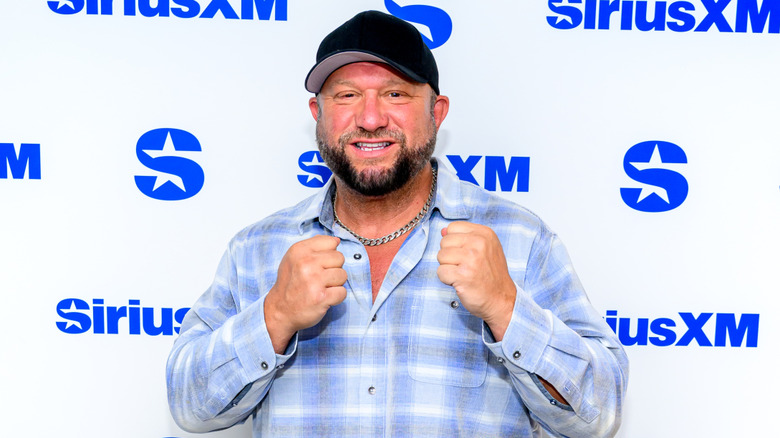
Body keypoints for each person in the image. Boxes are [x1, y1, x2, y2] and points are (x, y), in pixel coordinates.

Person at [167, 10, 628, 438]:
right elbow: (189, 407)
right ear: (318, 115)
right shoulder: (258, 248)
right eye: (347, 96)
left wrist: (507, 308)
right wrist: (274, 317)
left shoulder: (521, 240)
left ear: (437, 112)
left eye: (395, 94)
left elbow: (600, 415)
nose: (370, 119)